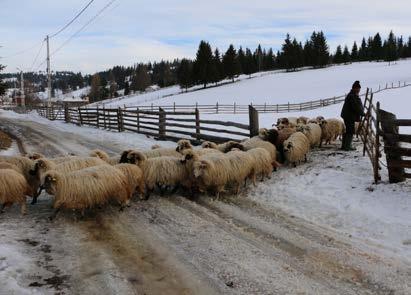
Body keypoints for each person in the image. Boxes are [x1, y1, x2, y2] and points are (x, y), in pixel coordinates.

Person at [340, 81, 365, 151]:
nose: (359, 90)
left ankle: (344, 146)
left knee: (348, 130)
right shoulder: (352, 96)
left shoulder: (352, 95)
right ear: (354, 88)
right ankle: (347, 146)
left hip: (347, 115)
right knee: (350, 131)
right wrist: (363, 113)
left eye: (359, 89)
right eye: (358, 89)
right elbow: (356, 107)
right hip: (349, 116)